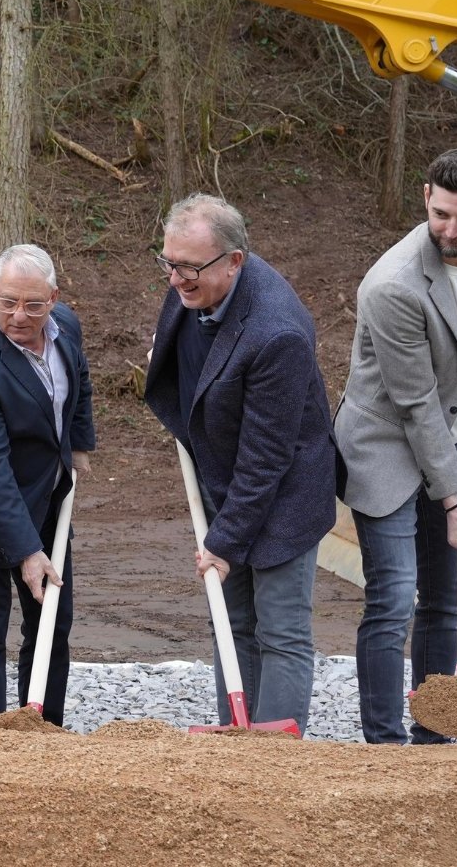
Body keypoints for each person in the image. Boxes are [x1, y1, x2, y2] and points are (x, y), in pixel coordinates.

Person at [337, 147, 457, 745]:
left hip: (445, 437)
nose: (451, 229)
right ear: (425, 198)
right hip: (384, 449)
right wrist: (454, 501)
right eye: (441, 213)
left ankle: (435, 733)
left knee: (444, 601)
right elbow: (414, 406)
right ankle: (385, 742)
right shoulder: (393, 287)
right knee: (393, 599)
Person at [144, 194, 334, 735]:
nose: (177, 279)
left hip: (285, 491)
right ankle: (236, 742)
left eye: (190, 267)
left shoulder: (277, 334)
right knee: (232, 621)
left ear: (234, 261)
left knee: (280, 630)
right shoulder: (193, 278)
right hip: (223, 474)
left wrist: (224, 542)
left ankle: (275, 756)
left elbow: (267, 458)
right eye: (169, 263)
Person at [0, 244, 94, 726]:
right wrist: (28, 552)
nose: (19, 316)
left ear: (53, 297)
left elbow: (80, 380)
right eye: (7, 302)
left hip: (48, 501)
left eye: (32, 304)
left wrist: (79, 443)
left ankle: (44, 727)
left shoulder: (65, 326)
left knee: (52, 621)